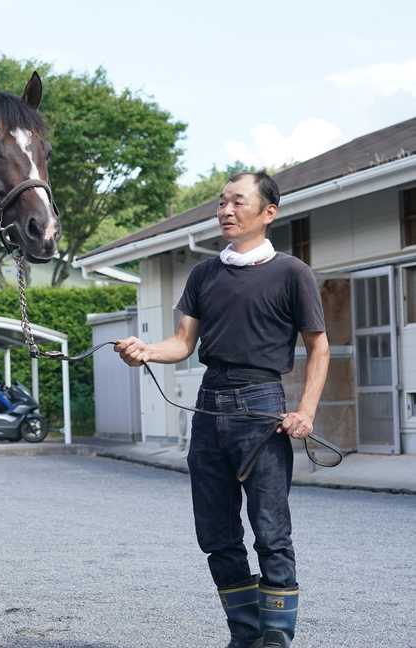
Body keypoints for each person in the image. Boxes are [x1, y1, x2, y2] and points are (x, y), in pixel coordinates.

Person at [115, 171, 329, 648]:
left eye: (237, 202)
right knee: (216, 533)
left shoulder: (292, 273)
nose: (225, 211)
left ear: (268, 213)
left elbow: (320, 348)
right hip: (209, 410)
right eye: (221, 202)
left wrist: (306, 411)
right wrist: (145, 350)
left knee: (271, 532)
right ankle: (245, 634)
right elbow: (181, 343)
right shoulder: (204, 274)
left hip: (262, 407)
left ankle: (276, 637)